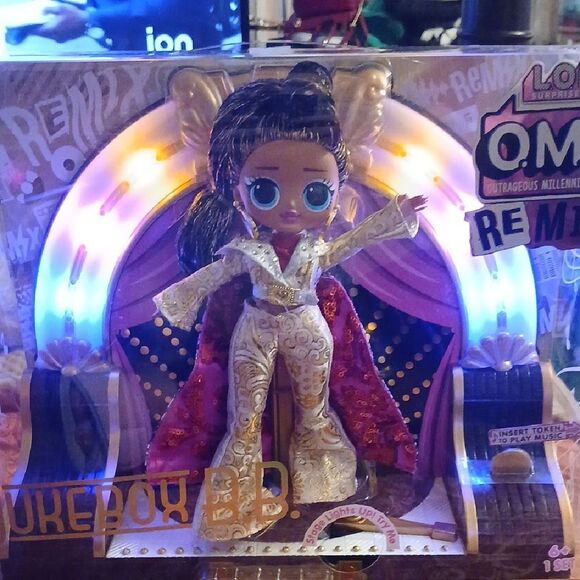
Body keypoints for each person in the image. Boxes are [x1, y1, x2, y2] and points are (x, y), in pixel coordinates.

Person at [147, 61, 425, 541]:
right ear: (238, 191)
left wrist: (393, 217)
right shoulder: (245, 250)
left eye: (315, 192)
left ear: (335, 193)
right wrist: (176, 300)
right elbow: (213, 275)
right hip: (255, 325)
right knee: (244, 416)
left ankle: (325, 489)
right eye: (265, 189)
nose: (291, 206)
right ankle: (234, 507)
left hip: (306, 324)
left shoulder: (316, 250)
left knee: (315, 408)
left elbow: (352, 242)